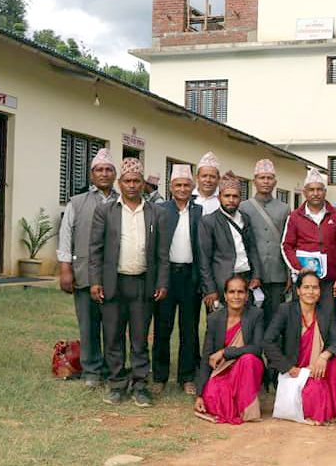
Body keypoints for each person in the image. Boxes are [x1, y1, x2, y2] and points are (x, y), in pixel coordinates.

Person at [89, 158, 169, 407]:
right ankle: (116, 384)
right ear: (120, 183)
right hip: (114, 282)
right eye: (127, 181)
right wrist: (95, 281)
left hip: (143, 283)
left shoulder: (156, 212)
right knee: (113, 336)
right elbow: (95, 249)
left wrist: (162, 282)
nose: (132, 185)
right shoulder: (106, 211)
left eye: (136, 181)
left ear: (143, 183)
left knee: (140, 337)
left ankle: (140, 385)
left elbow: (162, 253)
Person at [57, 148, 117, 388]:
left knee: (113, 326)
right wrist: (65, 268)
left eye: (108, 169)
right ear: (91, 175)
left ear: (115, 174)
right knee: (88, 325)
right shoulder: (77, 202)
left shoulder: (123, 200)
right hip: (83, 272)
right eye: (99, 170)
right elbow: (66, 236)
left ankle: (113, 369)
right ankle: (91, 370)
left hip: (115, 275)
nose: (104, 174)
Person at [263, 272, 336, 424]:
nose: (310, 292)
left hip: (316, 368)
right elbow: (267, 342)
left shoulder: (324, 312)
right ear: (298, 290)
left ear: (320, 291)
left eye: (315, 287)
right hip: (295, 370)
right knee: (316, 389)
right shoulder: (286, 310)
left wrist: (323, 357)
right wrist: (289, 368)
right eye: (306, 287)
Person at [152, 164, 203, 395]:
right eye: (178, 185)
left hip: (190, 277)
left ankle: (187, 376)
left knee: (189, 329)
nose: (182, 189)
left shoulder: (198, 211)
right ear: (171, 187)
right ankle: (160, 376)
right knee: (163, 327)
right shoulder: (160, 210)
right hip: (166, 276)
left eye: (186, 185)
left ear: (192, 187)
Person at [193, 275, 264, 424]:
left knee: (248, 359)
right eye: (232, 292)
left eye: (240, 292)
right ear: (225, 296)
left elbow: (257, 348)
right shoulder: (214, 318)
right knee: (211, 397)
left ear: (247, 295)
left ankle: (247, 409)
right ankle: (234, 405)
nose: (236, 296)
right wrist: (199, 394)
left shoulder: (255, 315)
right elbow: (207, 356)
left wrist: (225, 352)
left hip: (248, 368)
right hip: (223, 370)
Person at [281, 167, 336, 318]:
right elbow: (286, 246)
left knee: (328, 320)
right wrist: (299, 268)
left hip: (328, 281)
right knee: (302, 320)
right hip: (303, 281)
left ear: (325, 192)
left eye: (319, 189)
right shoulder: (294, 216)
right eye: (311, 190)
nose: (315, 193)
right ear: (304, 192)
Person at [239, 159, 291, 330]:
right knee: (251, 321)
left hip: (277, 273)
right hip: (252, 273)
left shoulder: (284, 208)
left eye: (269, 178)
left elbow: (288, 242)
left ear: (275, 182)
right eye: (262, 178)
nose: (266, 182)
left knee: (276, 321)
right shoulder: (243, 207)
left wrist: (288, 274)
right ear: (254, 181)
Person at [198, 172, 263, 305]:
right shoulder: (209, 221)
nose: (231, 200)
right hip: (222, 281)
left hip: (245, 278)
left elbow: (252, 249)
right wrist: (210, 289)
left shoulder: (245, 218)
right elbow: (204, 259)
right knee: (222, 318)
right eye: (227, 196)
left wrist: (256, 275)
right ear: (219, 197)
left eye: (235, 196)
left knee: (247, 316)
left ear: (240, 198)